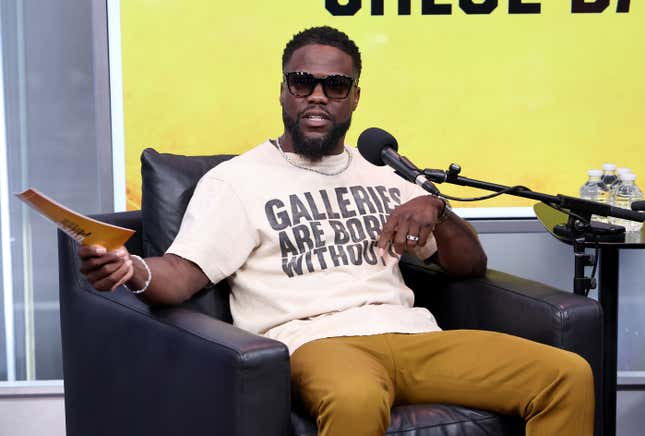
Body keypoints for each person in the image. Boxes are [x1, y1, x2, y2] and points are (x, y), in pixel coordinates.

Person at [79, 26, 594, 436]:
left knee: (567, 375)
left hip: (413, 335)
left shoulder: (386, 175)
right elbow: (181, 273)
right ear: (284, 92)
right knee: (355, 399)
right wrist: (131, 268)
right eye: (302, 83)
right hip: (316, 343)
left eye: (335, 86)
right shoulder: (235, 181)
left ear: (354, 98)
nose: (317, 97)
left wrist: (436, 208)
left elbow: (469, 266)